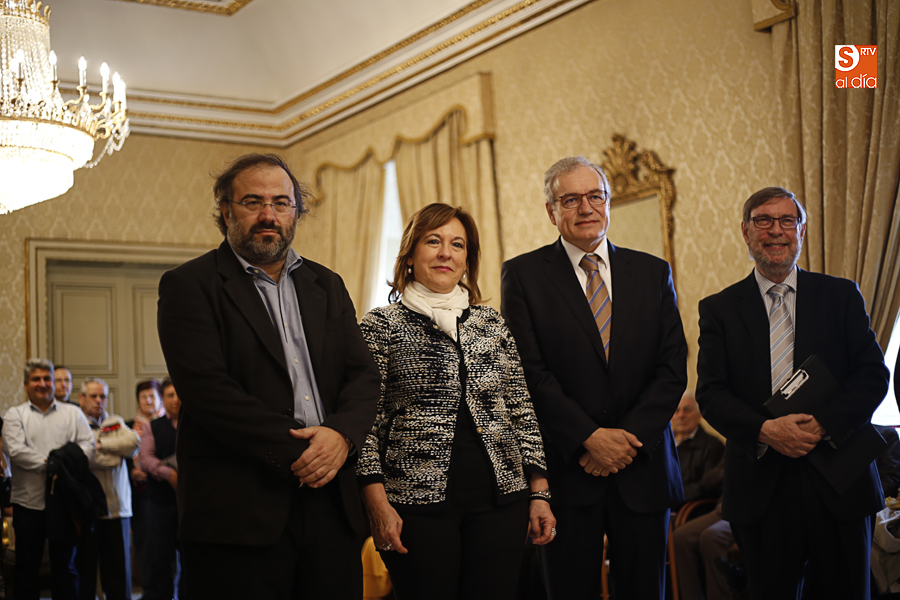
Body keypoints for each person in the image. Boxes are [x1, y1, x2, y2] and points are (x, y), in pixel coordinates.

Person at [156, 153, 380, 600]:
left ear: (296, 211)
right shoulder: (189, 285)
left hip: (331, 505)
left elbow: (363, 377)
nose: (268, 215)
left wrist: (340, 436)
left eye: (281, 203)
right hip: (238, 511)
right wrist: (303, 451)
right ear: (225, 211)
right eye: (253, 202)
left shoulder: (327, 284)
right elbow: (208, 392)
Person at [500, 156, 687, 600]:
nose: (586, 208)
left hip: (641, 468)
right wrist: (588, 437)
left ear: (607, 202)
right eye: (571, 199)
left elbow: (672, 366)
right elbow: (528, 373)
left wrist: (623, 440)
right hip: (568, 472)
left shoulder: (652, 271)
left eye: (594, 196)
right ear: (551, 211)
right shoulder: (524, 275)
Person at [697, 186, 888, 599]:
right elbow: (711, 394)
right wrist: (767, 429)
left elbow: (873, 375)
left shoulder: (841, 295)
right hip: (762, 488)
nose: (776, 231)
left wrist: (822, 424)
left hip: (841, 480)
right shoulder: (719, 310)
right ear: (746, 232)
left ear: (801, 230)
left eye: (787, 221)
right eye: (764, 220)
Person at [357, 203, 556, 600]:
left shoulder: (491, 323)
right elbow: (365, 424)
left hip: (501, 501)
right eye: (433, 241)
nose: (445, 253)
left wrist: (539, 491)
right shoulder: (380, 326)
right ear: (411, 254)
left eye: (457, 244)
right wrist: (377, 505)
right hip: (414, 505)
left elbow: (520, 409)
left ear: (468, 260)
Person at [3, 359, 95, 600]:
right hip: (28, 504)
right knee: (26, 569)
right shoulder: (14, 415)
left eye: (47, 379)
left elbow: (89, 447)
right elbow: (16, 451)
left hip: (65, 504)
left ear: (54, 383)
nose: (42, 384)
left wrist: (62, 465)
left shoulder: (73, 413)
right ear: (25, 385)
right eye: (36, 379)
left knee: (66, 568)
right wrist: (55, 465)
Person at [78, 377, 140, 600]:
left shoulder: (116, 421)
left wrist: (102, 445)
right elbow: (84, 457)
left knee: (118, 571)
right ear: (81, 398)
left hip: (118, 508)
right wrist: (115, 454)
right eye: (93, 396)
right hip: (87, 509)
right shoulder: (76, 423)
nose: (98, 400)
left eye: (102, 396)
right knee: (85, 571)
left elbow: (134, 443)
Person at [140, 378, 183, 600]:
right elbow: (145, 459)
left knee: (193, 558)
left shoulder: (198, 426)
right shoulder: (153, 426)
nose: (176, 400)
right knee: (160, 558)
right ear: (162, 399)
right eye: (169, 395)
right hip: (161, 503)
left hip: (192, 504)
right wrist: (169, 474)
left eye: (179, 394)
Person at [127, 379, 164, 589]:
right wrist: (132, 472)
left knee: (166, 544)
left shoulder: (170, 423)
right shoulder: (127, 425)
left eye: (152, 396)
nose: (148, 400)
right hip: (139, 494)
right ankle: (148, 589)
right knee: (144, 542)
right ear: (138, 400)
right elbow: (122, 461)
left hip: (164, 490)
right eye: (143, 397)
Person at [672, 391, 724, 505]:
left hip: (690, 508)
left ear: (699, 414)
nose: (681, 415)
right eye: (676, 411)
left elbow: (707, 487)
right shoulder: (662, 444)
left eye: (687, 410)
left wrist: (670, 496)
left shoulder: (713, 446)